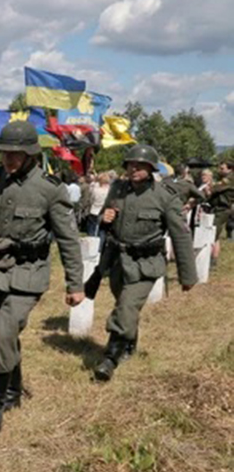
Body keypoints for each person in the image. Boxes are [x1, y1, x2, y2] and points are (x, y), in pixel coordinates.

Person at [0, 121, 84, 439]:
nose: (9, 159)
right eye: (5, 152)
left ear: (31, 154)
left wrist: (75, 284)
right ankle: (12, 389)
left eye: (16, 154)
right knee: (6, 336)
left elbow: (68, 239)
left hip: (29, 274)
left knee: (1, 334)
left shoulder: (50, 189)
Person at [92, 145, 197, 381]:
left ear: (151, 169)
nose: (134, 169)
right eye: (131, 164)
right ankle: (129, 343)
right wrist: (104, 219)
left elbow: (180, 234)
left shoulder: (165, 196)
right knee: (125, 304)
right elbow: (105, 219)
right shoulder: (118, 189)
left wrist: (187, 276)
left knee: (126, 307)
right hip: (119, 260)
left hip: (146, 264)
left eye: (140, 165)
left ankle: (110, 358)